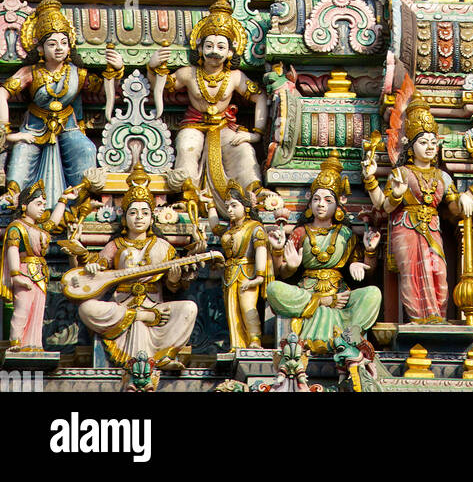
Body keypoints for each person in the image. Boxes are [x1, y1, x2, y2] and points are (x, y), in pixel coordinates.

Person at [71, 164, 199, 390]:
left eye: (145, 213)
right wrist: (91, 267)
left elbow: (174, 285)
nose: (139, 217)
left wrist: (174, 278)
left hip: (155, 308)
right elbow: (97, 270)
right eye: (133, 212)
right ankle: (139, 316)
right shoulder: (115, 246)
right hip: (122, 306)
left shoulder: (163, 247)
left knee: (189, 308)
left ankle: (163, 353)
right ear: (124, 218)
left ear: (152, 218)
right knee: (86, 308)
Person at [361, 94, 473, 324]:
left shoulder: (443, 177)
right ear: (410, 145)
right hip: (405, 227)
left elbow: (454, 208)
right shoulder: (401, 174)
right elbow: (383, 205)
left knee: (439, 273)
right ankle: (417, 319)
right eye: (423, 142)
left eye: (433, 142)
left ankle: (438, 316)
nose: (429, 147)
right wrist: (387, 188)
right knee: (413, 275)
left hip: (433, 228)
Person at [0, 0, 123, 207]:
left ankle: (81, 198)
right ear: (39, 48)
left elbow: (104, 89)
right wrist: (7, 131)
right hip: (35, 127)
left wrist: (116, 69)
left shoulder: (77, 73)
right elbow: (2, 92)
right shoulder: (31, 72)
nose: (59, 48)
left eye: (63, 43)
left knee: (86, 149)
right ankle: (14, 196)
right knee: (21, 153)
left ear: (69, 46)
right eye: (52, 44)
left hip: (68, 126)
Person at [146, 0, 265, 213]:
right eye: (209, 46)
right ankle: (186, 194)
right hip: (194, 123)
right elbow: (162, 85)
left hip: (224, 125)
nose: (214, 52)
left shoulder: (235, 77)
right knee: (187, 147)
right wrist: (153, 67)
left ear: (230, 52)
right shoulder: (189, 73)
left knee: (245, 150)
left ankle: (254, 191)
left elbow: (260, 96)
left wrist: (255, 133)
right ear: (199, 48)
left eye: (221, 47)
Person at [267, 153, 380, 351]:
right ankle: (328, 315)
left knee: (373, 294)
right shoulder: (301, 232)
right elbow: (281, 273)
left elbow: (368, 274)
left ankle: (350, 335)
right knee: (274, 289)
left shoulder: (346, 234)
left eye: (328, 200)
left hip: (340, 294)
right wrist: (285, 260)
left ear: (339, 203)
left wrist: (367, 254)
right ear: (310, 201)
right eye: (317, 199)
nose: (321, 204)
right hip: (307, 293)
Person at [0, 179, 68, 350]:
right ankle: (16, 342)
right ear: (24, 205)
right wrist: (16, 276)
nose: (42, 208)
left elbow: (53, 223)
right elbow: (12, 250)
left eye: (44, 204)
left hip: (40, 274)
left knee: (37, 311)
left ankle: (32, 343)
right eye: (38, 204)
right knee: (22, 309)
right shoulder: (17, 227)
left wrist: (63, 200)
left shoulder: (39, 229)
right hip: (23, 272)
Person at [208, 181, 270, 349]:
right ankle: (237, 344)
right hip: (230, 272)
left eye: (234, 206)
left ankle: (255, 340)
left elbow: (261, 250)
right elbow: (214, 228)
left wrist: (259, 276)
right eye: (227, 207)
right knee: (232, 310)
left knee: (247, 307)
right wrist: (210, 204)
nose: (229, 210)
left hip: (247, 271)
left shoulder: (254, 228)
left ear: (246, 207)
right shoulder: (229, 230)